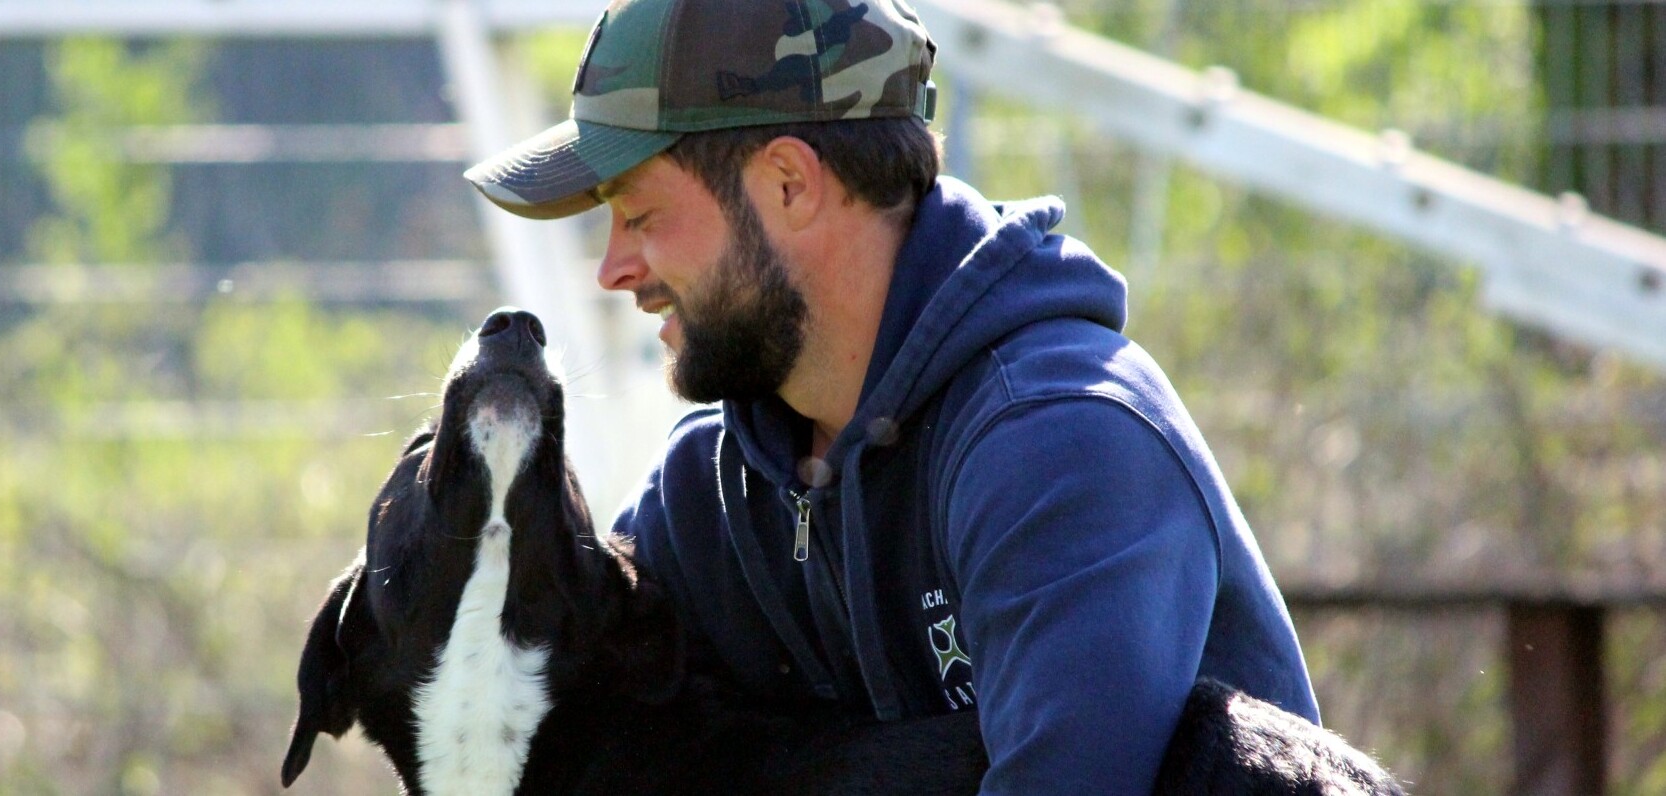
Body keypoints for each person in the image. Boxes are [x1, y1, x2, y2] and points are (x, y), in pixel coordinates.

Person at [463, 0, 1319, 792]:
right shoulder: (711, 496)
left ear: (789, 185)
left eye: (640, 217)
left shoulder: (1061, 443)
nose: (615, 270)